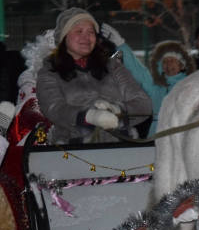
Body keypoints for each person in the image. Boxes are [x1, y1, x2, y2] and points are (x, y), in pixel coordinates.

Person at [36, 8, 152, 144]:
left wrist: (116, 110)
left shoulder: (114, 67)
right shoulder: (50, 71)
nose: (86, 37)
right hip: (72, 154)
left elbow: (143, 103)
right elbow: (54, 108)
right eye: (79, 31)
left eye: (91, 31)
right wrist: (89, 116)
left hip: (121, 149)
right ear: (63, 36)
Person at [114, 33, 196, 136]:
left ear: (182, 64)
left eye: (173, 60)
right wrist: (121, 44)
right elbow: (138, 70)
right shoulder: (157, 88)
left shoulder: (192, 85)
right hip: (155, 138)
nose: (168, 64)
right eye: (165, 61)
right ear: (160, 67)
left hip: (181, 137)